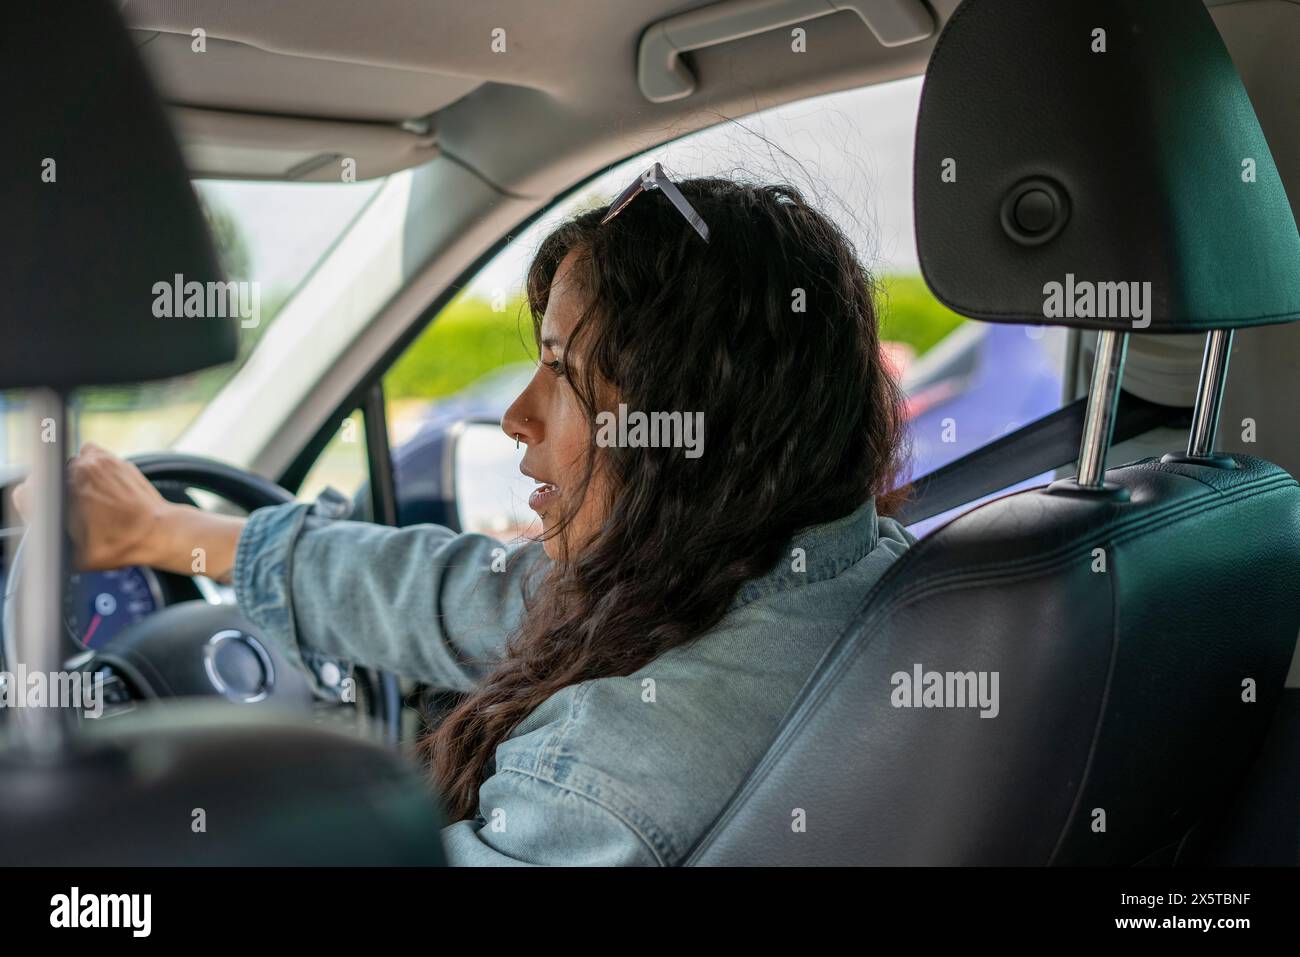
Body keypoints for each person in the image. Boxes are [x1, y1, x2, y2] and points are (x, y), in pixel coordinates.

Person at [25, 172, 916, 865]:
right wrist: (165, 533)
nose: (515, 415)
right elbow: (475, 593)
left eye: (560, 370)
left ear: (688, 425)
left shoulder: (605, 775)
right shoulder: (838, 569)